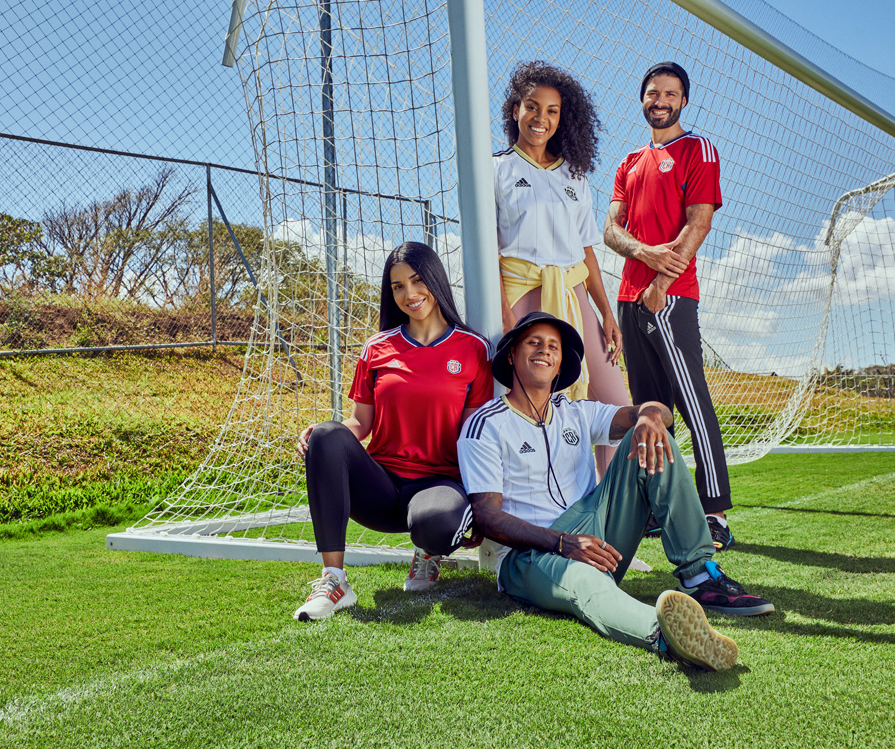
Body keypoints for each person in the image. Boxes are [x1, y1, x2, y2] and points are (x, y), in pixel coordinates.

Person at [457, 312, 772, 671]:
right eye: (533, 342)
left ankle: (698, 575)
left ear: (561, 362)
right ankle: (667, 634)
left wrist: (651, 415)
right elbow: (487, 516)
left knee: (652, 433)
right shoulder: (485, 423)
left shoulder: (574, 413)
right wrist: (562, 543)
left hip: (596, 541)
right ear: (511, 354)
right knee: (579, 581)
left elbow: (651, 412)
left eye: (553, 346)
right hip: (529, 555)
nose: (544, 350)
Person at [293, 242, 493, 621]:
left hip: (439, 486)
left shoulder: (474, 349)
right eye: (398, 286)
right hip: (381, 488)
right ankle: (334, 580)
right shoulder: (377, 347)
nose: (409, 294)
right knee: (326, 434)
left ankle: (427, 552)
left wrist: (481, 504)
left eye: (418, 281)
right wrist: (322, 435)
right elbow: (360, 423)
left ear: (436, 280)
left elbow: (475, 434)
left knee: (438, 522)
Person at [603, 61, 737, 550]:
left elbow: (698, 224)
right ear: (642, 99)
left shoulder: (697, 149)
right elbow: (610, 230)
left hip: (671, 297)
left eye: (671, 93)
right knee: (651, 412)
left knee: (694, 403)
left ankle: (714, 512)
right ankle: (663, 508)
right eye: (653, 92)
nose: (660, 100)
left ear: (684, 100)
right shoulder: (627, 162)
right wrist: (642, 255)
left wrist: (660, 280)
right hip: (627, 299)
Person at [494, 61, 630, 475]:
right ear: (516, 108)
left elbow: (586, 250)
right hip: (519, 296)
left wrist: (606, 312)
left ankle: (606, 512)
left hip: (572, 297)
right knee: (518, 407)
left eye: (552, 111)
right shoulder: (496, 168)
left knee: (616, 406)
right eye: (533, 107)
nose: (541, 118)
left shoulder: (575, 174)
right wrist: (503, 315)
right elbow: (487, 249)